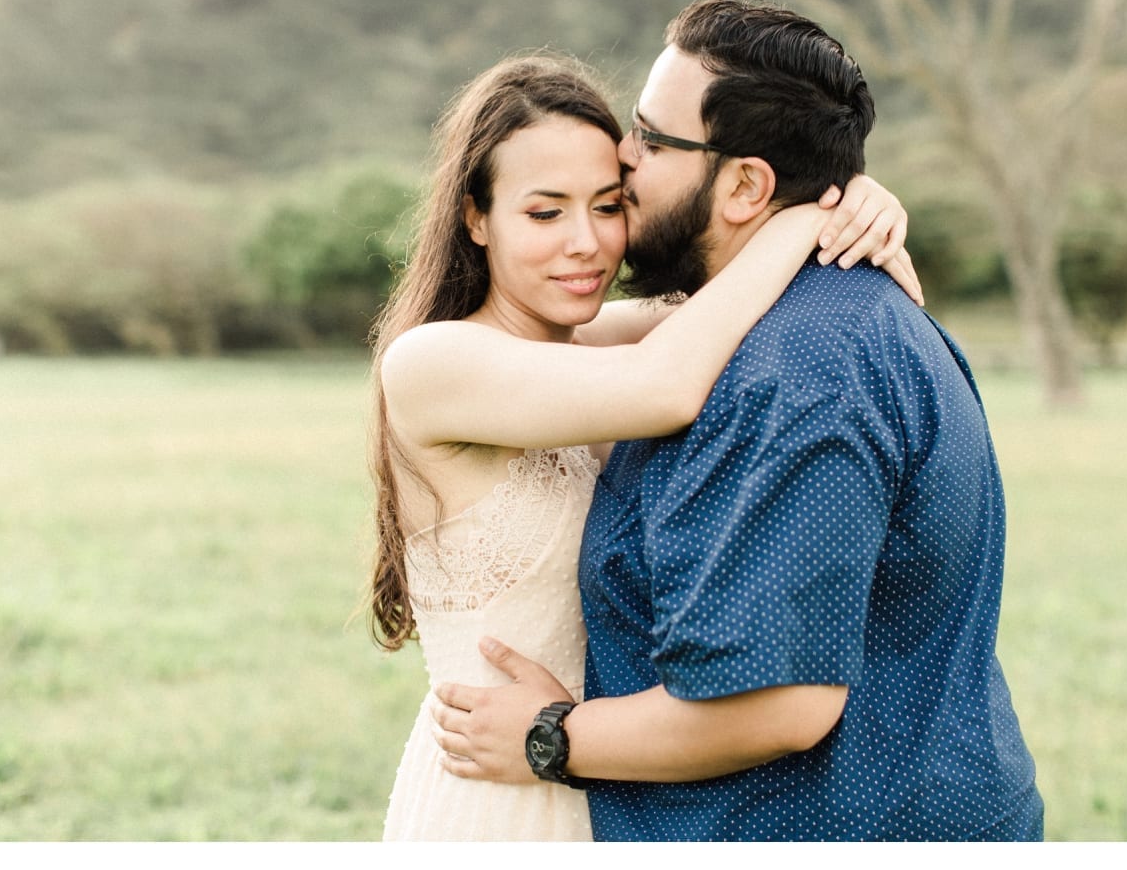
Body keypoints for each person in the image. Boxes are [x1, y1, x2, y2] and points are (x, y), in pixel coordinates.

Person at [431, 0, 1044, 841]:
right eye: (544, 210)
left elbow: (778, 704)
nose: (623, 156)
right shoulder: (773, 328)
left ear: (746, 183)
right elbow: (652, 361)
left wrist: (554, 737)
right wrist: (813, 214)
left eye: (650, 138)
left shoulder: (796, 367)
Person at [369, 50, 921, 841]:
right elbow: (665, 383)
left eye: (609, 203)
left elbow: (718, 311)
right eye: (545, 212)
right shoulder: (431, 364)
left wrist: (845, 198)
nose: (587, 243)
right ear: (475, 217)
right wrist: (806, 216)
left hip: (600, 771)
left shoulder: (591, 344)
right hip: (496, 794)